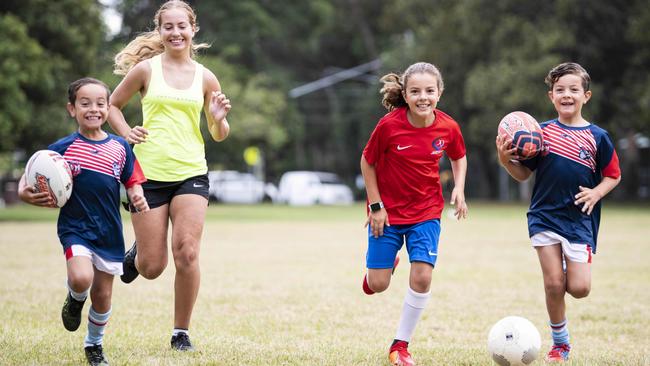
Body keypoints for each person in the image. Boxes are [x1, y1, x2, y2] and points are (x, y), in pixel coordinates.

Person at [107, 0, 231, 351]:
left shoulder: (206, 77)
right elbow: (113, 104)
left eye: (182, 26)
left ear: (193, 29)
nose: (175, 32)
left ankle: (181, 333)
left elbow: (219, 133)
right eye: (168, 27)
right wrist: (126, 131)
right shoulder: (146, 70)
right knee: (151, 267)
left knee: (187, 252)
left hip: (191, 171)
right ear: (160, 31)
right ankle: (136, 255)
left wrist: (219, 117)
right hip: (147, 174)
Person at [18, 77, 149, 366]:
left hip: (109, 231)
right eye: (85, 103)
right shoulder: (61, 148)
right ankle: (75, 299)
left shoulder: (120, 147)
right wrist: (23, 192)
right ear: (71, 109)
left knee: (102, 295)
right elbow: (31, 174)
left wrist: (136, 195)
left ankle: (94, 344)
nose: (94, 109)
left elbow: (133, 180)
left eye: (101, 103)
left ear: (108, 108)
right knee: (81, 278)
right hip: (75, 228)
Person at [495, 62, 621, 363]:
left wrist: (596, 192)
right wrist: (504, 160)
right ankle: (560, 344)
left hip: (579, 220)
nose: (567, 95)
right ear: (551, 96)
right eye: (560, 90)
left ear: (586, 96)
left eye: (574, 90)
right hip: (544, 216)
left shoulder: (598, 137)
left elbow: (613, 175)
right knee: (553, 284)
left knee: (579, 288)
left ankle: (568, 270)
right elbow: (523, 175)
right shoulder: (540, 133)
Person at [360, 62, 468, 366]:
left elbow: (458, 156)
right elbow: (367, 163)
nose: (423, 97)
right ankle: (388, 263)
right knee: (378, 285)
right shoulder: (389, 126)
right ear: (405, 95)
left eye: (430, 91)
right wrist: (376, 206)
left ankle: (400, 345)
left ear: (440, 93)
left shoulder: (448, 127)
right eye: (416, 91)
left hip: (426, 212)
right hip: (388, 213)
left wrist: (459, 188)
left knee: (422, 276)